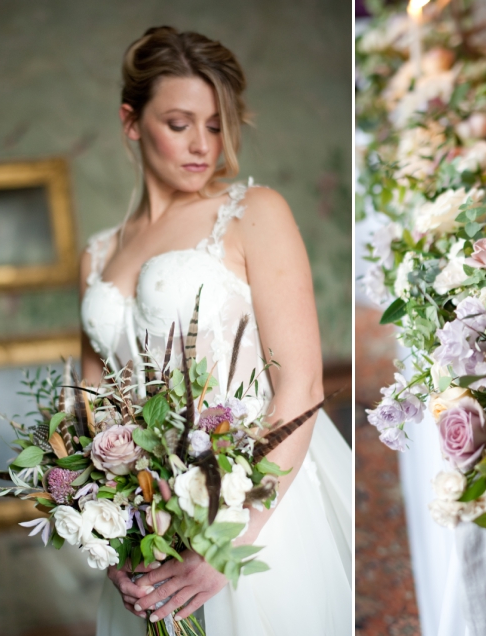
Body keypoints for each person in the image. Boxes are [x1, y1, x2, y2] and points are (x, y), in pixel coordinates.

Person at [79, 27, 352, 635]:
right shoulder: (96, 255)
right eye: (179, 123)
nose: (203, 144)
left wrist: (231, 536)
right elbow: (91, 410)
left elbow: (301, 386)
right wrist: (106, 537)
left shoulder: (255, 213)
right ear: (132, 122)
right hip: (148, 529)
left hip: (255, 506)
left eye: (214, 123)